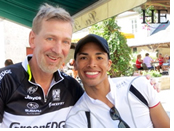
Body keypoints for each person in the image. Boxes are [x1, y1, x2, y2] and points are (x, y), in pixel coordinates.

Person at [0, 3, 84, 128]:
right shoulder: (5, 81)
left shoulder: (72, 87)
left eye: (65, 41)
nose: (58, 50)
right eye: (50, 38)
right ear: (32, 39)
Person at [65, 34, 170, 128]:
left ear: (109, 64)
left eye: (99, 57)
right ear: (75, 65)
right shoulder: (77, 119)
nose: (92, 64)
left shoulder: (138, 87)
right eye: (84, 58)